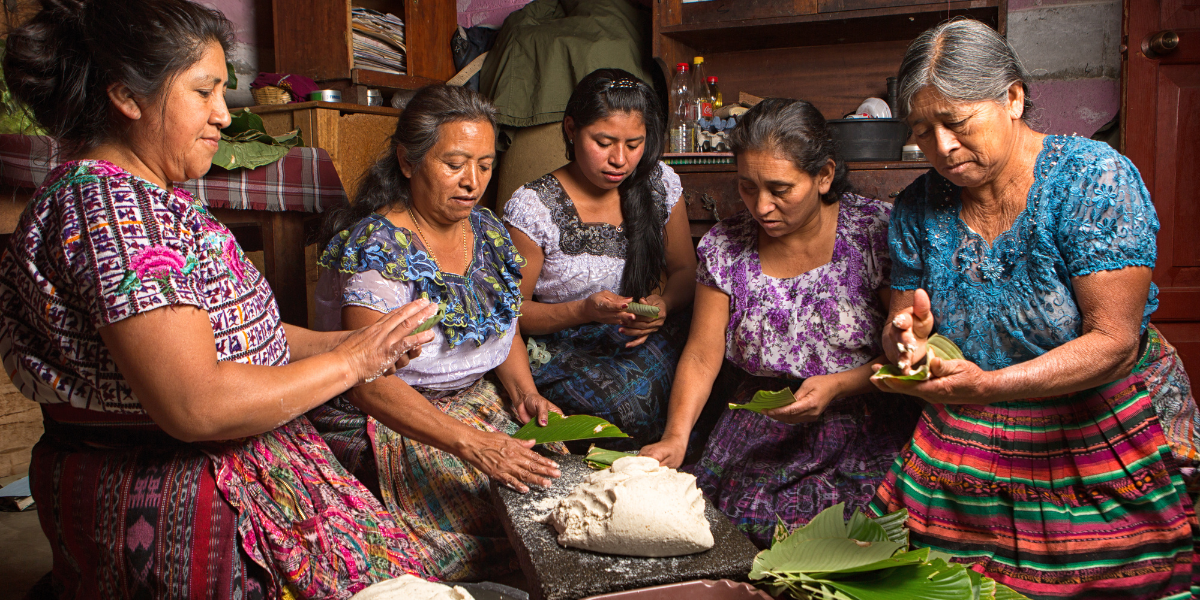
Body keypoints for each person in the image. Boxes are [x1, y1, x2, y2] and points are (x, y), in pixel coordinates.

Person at [0, 0, 445, 597]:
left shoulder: (150, 197)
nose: (223, 118)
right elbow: (195, 403)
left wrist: (354, 342)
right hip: (176, 484)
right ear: (128, 98)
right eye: (204, 92)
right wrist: (351, 364)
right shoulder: (112, 209)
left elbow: (241, 333)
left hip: (231, 457)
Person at [869, 18, 1200, 599]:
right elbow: (902, 338)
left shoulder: (1092, 180)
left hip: (1101, 422)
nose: (941, 147)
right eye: (922, 131)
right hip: (975, 424)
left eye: (957, 122)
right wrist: (909, 345)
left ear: (1014, 98)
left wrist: (989, 386)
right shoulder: (917, 208)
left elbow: (1112, 342)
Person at [639, 98, 921, 548]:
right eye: (747, 188)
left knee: (845, 537)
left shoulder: (874, 234)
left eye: (780, 189)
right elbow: (701, 353)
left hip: (864, 417)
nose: (761, 206)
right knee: (731, 530)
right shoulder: (725, 246)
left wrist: (839, 385)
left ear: (824, 175)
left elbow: (912, 356)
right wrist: (676, 436)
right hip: (763, 419)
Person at [311, 85, 563, 582]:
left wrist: (524, 394)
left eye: (485, 165)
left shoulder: (487, 231)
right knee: (472, 533)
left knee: (552, 497)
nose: (473, 181)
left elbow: (501, 319)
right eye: (454, 163)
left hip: (473, 402)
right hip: (391, 417)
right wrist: (472, 443)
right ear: (408, 161)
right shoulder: (377, 249)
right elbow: (368, 380)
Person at [501, 68, 697, 451]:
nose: (620, 160)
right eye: (603, 142)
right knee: (617, 409)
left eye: (634, 143)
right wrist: (584, 312)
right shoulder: (534, 207)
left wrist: (663, 304)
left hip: (638, 331)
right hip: (563, 344)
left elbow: (686, 271)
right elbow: (510, 313)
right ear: (572, 129)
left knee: (707, 362)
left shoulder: (657, 183)